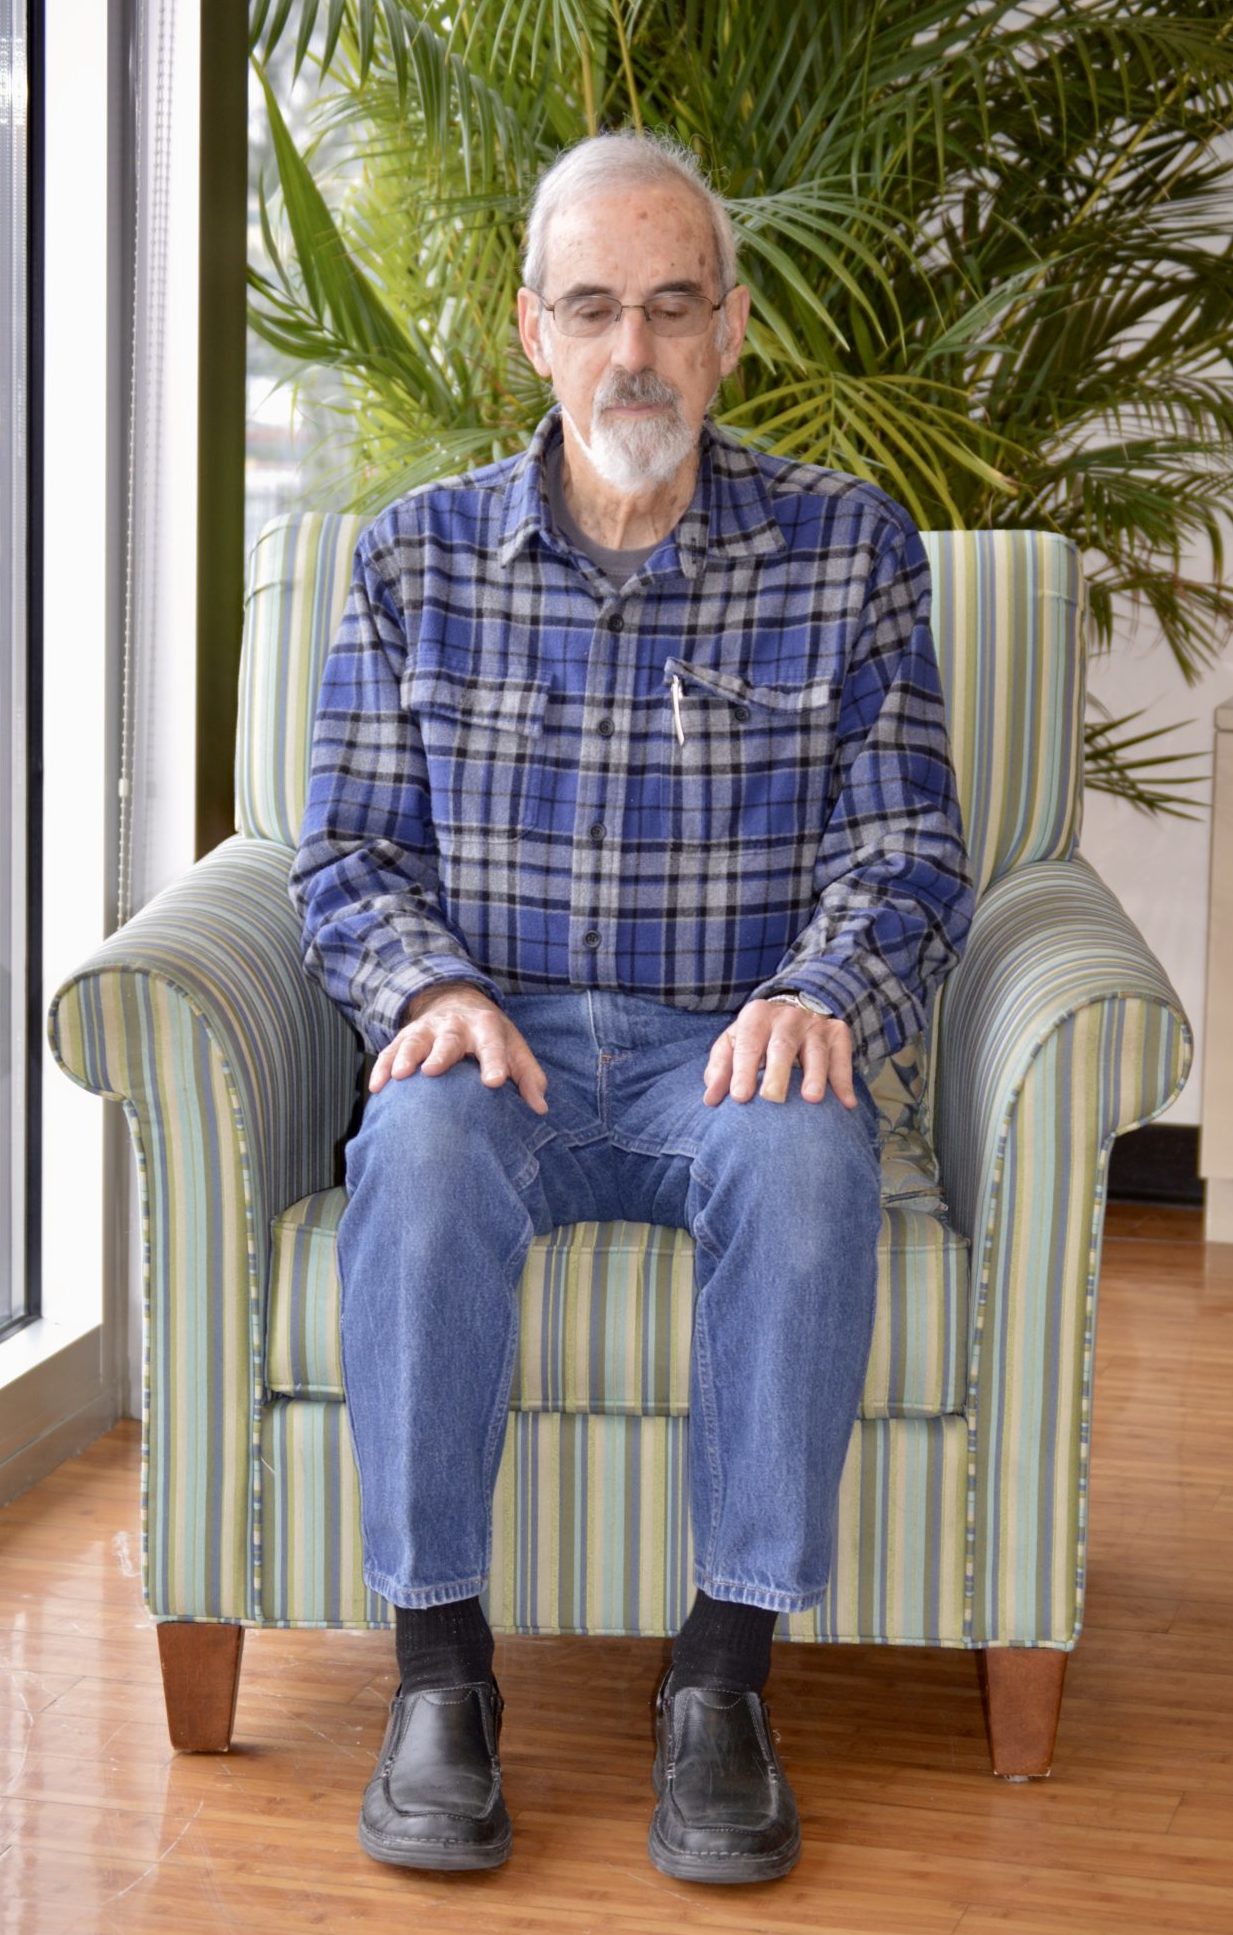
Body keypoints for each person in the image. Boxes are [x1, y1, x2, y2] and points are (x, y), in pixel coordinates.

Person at [289, 128, 974, 1885]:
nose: (633, 354)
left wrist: (819, 991)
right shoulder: (410, 561)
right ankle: (440, 1677)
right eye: (593, 308)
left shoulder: (848, 550)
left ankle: (720, 1685)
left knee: (811, 1161)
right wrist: (425, 987)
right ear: (531, 330)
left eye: (672, 308)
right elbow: (345, 856)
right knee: (420, 1153)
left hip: (721, 1047)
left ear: (732, 328)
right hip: (493, 1044)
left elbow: (906, 845)